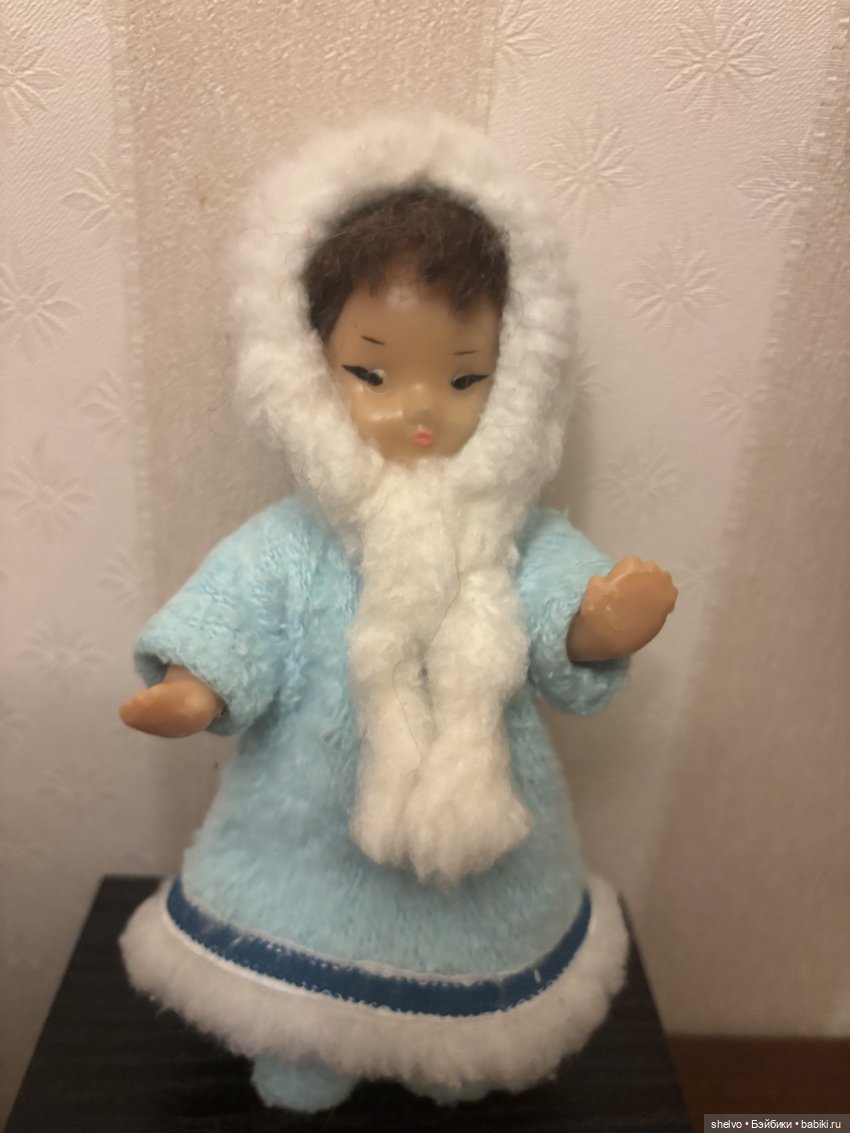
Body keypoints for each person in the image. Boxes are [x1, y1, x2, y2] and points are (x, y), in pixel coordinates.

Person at [118, 114, 677, 1113]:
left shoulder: (513, 539)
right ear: (306, 370)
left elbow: (557, 614)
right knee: (306, 952)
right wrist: (195, 683)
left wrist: (596, 620)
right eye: (372, 372)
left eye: (465, 377)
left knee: (471, 946)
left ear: (519, 380)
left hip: (483, 840)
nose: (419, 409)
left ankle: (449, 1044)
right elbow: (238, 608)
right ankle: (308, 1031)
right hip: (313, 832)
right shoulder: (295, 542)